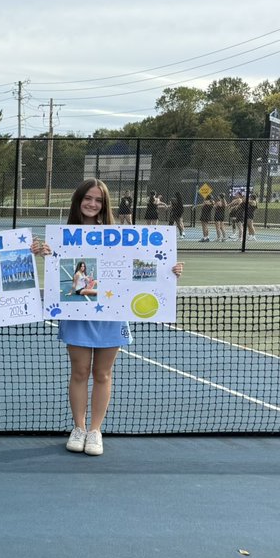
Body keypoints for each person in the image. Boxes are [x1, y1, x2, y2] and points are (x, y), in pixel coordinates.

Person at [34, 179, 183, 456]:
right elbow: (60, 274)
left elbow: (142, 267)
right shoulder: (61, 237)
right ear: (78, 200)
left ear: (105, 205)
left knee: (102, 374)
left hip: (111, 315)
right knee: (79, 372)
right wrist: (42, 254)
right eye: (88, 198)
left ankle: (95, 431)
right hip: (76, 313)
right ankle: (79, 428)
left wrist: (168, 271)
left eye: (98, 200)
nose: (92, 204)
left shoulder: (121, 236)